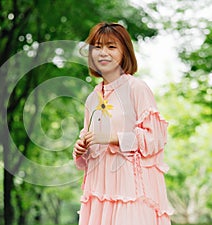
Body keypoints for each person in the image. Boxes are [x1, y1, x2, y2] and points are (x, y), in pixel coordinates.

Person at [73, 22, 174, 225]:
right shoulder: (92, 98)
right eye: (98, 46)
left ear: (124, 52)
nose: (103, 52)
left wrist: (114, 138)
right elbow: (90, 154)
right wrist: (81, 149)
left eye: (111, 47)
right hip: (99, 194)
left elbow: (155, 139)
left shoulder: (136, 88)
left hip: (131, 192)